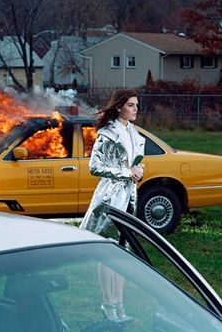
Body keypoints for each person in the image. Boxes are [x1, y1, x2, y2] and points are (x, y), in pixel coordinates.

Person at [80, 89, 145, 323]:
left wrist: (138, 171)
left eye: (136, 104)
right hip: (110, 197)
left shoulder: (134, 132)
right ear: (119, 107)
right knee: (108, 252)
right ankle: (108, 304)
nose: (135, 108)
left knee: (122, 252)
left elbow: (138, 163)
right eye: (130, 105)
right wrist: (126, 172)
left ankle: (120, 305)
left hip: (129, 196)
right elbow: (94, 167)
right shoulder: (107, 134)